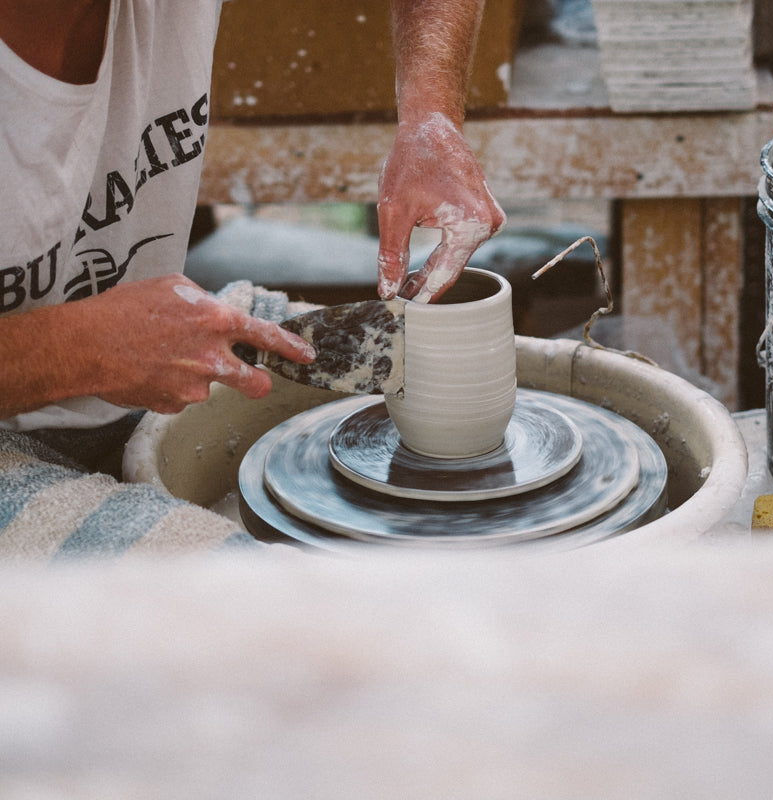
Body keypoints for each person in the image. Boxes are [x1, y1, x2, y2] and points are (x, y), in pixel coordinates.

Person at [0, 0, 505, 556]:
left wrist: (429, 113)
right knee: (257, 592)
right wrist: (77, 348)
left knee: (414, 355)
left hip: (128, 340)